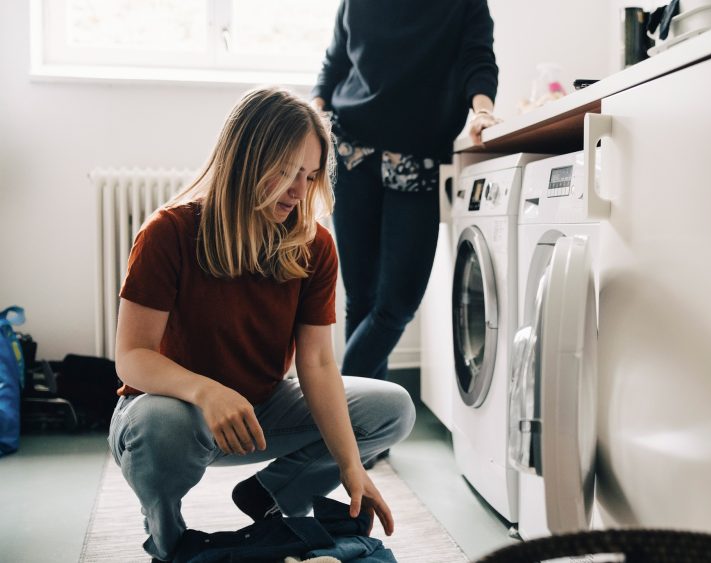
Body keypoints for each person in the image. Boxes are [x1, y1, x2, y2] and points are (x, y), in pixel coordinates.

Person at [109, 86, 416, 562]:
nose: (299, 191)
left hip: (259, 410)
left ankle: (273, 497)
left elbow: (316, 363)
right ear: (245, 160)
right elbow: (132, 357)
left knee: (392, 407)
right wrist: (206, 392)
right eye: (286, 172)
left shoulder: (313, 246)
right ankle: (167, 536)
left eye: (310, 176)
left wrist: (351, 467)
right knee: (162, 425)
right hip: (169, 413)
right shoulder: (168, 232)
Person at [310, 0, 500, 382]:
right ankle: (369, 437)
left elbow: (477, 58)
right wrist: (311, 112)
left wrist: (482, 111)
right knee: (361, 301)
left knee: (397, 304)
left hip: (418, 154)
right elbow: (335, 62)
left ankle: (337, 411)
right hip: (352, 150)